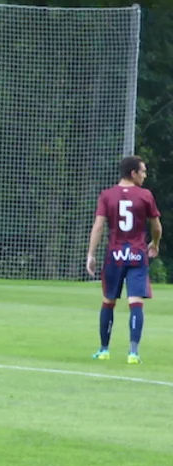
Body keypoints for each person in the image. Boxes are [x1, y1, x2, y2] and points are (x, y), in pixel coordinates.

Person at [86, 155, 162, 364]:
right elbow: (156, 226)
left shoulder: (107, 195)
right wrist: (155, 243)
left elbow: (98, 226)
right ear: (133, 173)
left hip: (115, 255)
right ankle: (133, 353)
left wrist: (91, 254)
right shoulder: (145, 195)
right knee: (135, 302)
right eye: (143, 171)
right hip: (137, 254)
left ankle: (104, 350)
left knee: (108, 301)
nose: (145, 175)